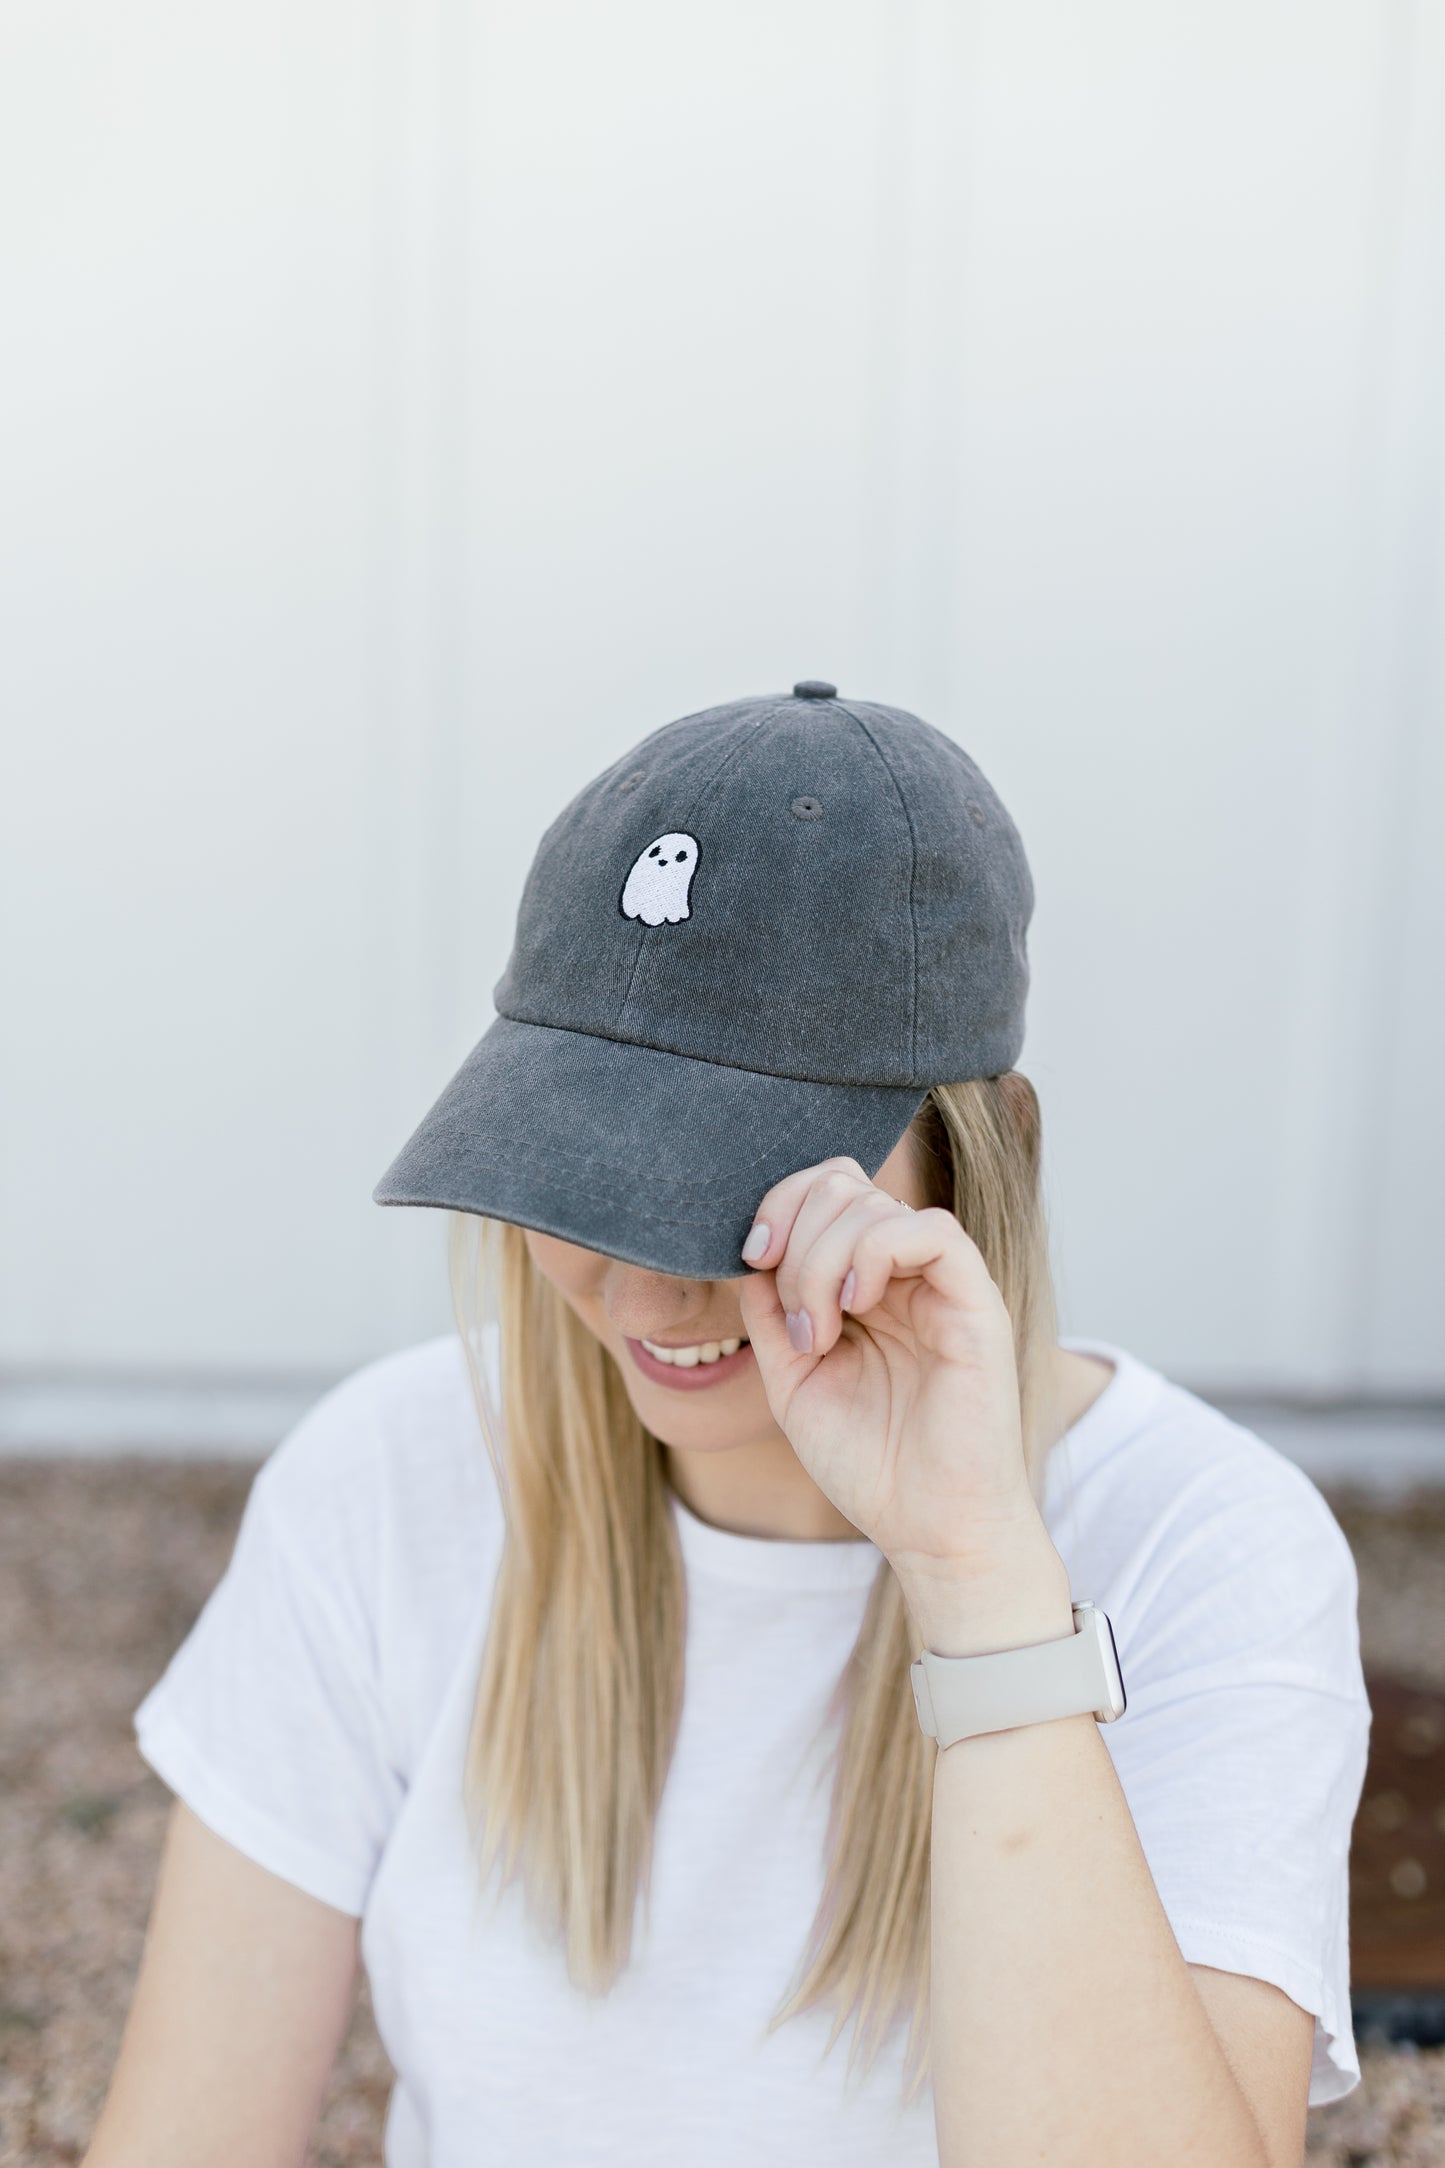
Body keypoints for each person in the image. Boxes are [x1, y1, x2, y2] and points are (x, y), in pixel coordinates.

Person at [84, 684, 1369, 2167]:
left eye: (727, 1183)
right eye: (577, 1162)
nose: (633, 1283)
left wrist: (974, 1577)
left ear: (981, 1158)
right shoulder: (389, 1477)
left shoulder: (1203, 1550)